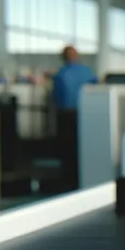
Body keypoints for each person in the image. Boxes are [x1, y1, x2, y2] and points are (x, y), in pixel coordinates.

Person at [51, 46, 97, 190]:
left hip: (66, 115)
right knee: (82, 146)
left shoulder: (60, 74)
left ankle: (68, 182)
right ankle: (83, 178)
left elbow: (56, 96)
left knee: (66, 148)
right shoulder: (87, 72)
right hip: (85, 115)